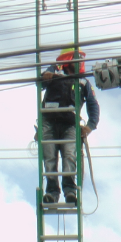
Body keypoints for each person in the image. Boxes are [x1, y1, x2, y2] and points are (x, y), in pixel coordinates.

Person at [39, 47, 100, 206]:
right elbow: (41, 81)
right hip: (49, 121)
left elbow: (93, 105)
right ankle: (51, 192)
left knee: (70, 157)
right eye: (77, 58)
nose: (80, 62)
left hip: (70, 125)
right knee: (50, 158)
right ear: (68, 59)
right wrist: (46, 77)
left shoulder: (83, 81)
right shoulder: (56, 70)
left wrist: (90, 126)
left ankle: (70, 191)